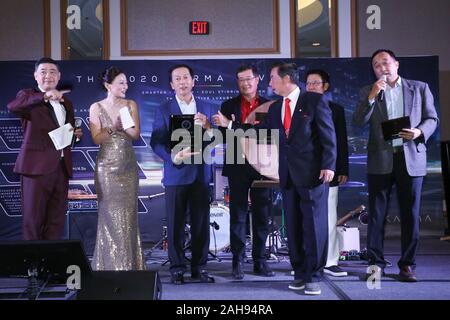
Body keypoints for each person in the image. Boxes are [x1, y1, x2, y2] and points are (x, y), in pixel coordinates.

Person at [214, 62, 336, 295]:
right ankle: (300, 272)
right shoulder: (275, 107)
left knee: (313, 226)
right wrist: (230, 124)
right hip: (288, 176)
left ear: (286, 79)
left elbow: (328, 136)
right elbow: (260, 132)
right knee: (293, 227)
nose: (269, 83)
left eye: (271, 78)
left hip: (312, 175)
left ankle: (314, 275)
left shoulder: (314, 101)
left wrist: (328, 164)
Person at [352, 49, 438, 282]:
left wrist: (419, 131)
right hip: (381, 159)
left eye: (386, 63)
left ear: (397, 64)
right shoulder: (368, 91)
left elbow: (432, 118)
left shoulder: (419, 88)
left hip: (410, 157)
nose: (382, 68)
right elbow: (358, 121)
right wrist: (372, 96)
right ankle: (375, 264)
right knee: (377, 215)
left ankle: (407, 265)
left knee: (410, 214)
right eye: (377, 65)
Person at [150, 64, 216, 284]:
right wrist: (173, 157)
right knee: (176, 224)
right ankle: (177, 268)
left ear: (193, 81)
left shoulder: (207, 107)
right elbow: (156, 142)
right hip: (176, 174)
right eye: (177, 79)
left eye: (185, 77)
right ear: (172, 84)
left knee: (200, 224)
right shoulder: (164, 108)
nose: (182, 82)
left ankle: (200, 267)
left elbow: (217, 139)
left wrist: (208, 127)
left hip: (201, 174)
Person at [7, 57, 83, 240]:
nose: (48, 75)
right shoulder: (27, 96)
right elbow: (12, 107)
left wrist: (75, 136)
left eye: (52, 72)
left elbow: (68, 133)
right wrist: (44, 96)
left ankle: (50, 263)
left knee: (55, 221)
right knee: (33, 220)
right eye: (43, 72)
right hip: (35, 169)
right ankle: (32, 266)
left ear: (59, 76)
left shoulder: (67, 103)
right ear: (35, 76)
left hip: (61, 168)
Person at [219, 64, 275, 280]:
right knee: (238, 215)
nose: (245, 83)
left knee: (262, 215)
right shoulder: (228, 105)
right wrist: (221, 127)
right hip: (237, 163)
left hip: (263, 164)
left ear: (257, 79)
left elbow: (267, 134)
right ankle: (238, 261)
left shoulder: (269, 106)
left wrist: (234, 127)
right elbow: (224, 137)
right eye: (241, 80)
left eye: (249, 79)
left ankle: (260, 261)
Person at [89, 66, 145, 270]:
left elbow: (136, 135)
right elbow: (96, 139)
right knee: (108, 215)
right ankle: (108, 266)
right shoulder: (96, 107)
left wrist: (125, 126)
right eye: (121, 83)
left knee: (128, 216)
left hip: (128, 167)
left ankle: (130, 265)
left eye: (126, 82)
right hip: (106, 168)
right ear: (108, 85)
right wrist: (113, 126)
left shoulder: (130, 104)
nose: (126, 86)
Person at [305, 69, 349, 277]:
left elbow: (339, 141)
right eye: (308, 83)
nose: (311, 86)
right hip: (304, 172)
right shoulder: (297, 107)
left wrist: (342, 168)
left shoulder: (336, 109)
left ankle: (331, 261)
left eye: (315, 83)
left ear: (326, 86)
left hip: (328, 171)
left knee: (330, 216)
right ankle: (308, 260)